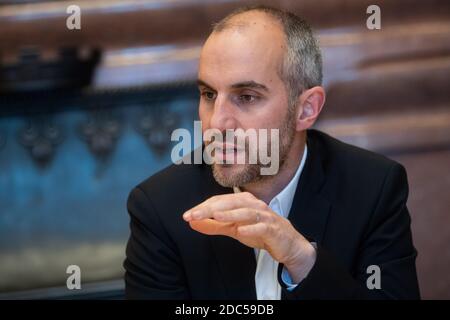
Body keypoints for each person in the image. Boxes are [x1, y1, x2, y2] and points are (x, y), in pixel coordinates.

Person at [124, 5, 420, 299]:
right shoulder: (159, 208)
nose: (217, 122)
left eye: (247, 97)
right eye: (209, 94)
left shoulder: (373, 189)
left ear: (306, 109)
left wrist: (301, 258)